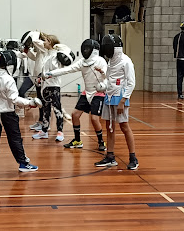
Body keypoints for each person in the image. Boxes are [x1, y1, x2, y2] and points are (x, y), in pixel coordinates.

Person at [44, 39, 107, 151]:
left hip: (98, 93)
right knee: (75, 115)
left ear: (93, 50)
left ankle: (101, 141)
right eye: (85, 49)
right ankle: (77, 140)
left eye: (88, 49)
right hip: (86, 92)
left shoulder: (101, 61)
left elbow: (107, 75)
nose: (86, 51)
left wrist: (103, 79)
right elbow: (68, 69)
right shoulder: (82, 62)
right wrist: (51, 74)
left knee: (94, 119)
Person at [94, 33, 138, 170]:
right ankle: (110, 157)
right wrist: (102, 73)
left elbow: (131, 83)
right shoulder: (111, 61)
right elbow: (111, 78)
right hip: (109, 97)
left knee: (124, 126)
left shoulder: (126, 61)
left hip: (120, 98)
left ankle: (133, 158)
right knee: (110, 127)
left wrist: (123, 100)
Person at [32, 34, 65, 142]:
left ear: (50, 41)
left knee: (57, 109)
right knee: (45, 109)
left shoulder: (57, 55)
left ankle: (60, 131)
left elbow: (58, 70)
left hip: (54, 86)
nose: (43, 42)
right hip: (45, 86)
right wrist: (41, 78)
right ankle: (44, 131)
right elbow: (45, 71)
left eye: (45, 40)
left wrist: (48, 75)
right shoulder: (46, 54)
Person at [21, 31, 47, 131]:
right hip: (37, 77)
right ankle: (41, 121)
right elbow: (35, 58)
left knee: (43, 101)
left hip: (42, 77)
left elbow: (35, 40)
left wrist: (34, 33)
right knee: (40, 100)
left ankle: (44, 123)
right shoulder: (40, 50)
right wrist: (27, 51)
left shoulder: (43, 46)